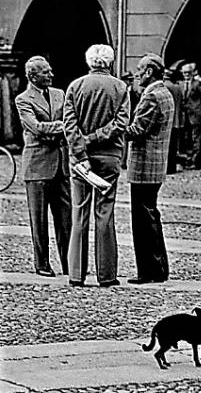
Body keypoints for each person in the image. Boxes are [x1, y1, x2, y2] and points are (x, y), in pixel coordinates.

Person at [63, 44, 130, 288]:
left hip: (80, 160)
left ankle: (76, 274)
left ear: (89, 62)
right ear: (110, 62)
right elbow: (121, 123)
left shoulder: (75, 86)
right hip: (109, 156)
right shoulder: (121, 87)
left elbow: (68, 126)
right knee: (105, 213)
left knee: (79, 212)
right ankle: (106, 274)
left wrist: (81, 148)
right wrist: (96, 137)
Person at [15, 56, 71, 277]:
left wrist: (55, 128)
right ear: (32, 76)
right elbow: (36, 128)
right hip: (37, 165)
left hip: (60, 164)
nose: (51, 75)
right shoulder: (23, 99)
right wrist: (61, 127)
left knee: (66, 219)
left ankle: (69, 263)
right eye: (46, 72)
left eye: (50, 71)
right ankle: (42, 263)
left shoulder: (60, 94)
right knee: (38, 219)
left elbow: (69, 120)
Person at [126, 53, 174, 284]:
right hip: (154, 165)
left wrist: (115, 130)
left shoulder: (152, 96)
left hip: (144, 165)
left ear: (148, 72)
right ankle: (159, 267)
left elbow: (137, 130)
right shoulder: (164, 93)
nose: (136, 73)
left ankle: (150, 270)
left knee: (143, 220)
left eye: (139, 69)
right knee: (151, 215)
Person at [180, 62, 201, 169]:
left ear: (192, 73)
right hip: (186, 117)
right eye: (184, 73)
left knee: (196, 139)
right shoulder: (181, 85)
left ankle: (195, 161)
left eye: (188, 73)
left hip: (197, 116)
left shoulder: (198, 84)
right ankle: (189, 159)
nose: (186, 75)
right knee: (187, 139)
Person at [163, 68, 183, 174]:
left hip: (168, 121)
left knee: (167, 147)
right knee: (173, 147)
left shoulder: (165, 87)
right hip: (177, 120)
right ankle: (172, 167)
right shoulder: (177, 87)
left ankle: (167, 168)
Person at [121, 71, 141, 169]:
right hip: (123, 118)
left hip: (130, 119)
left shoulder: (134, 93)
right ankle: (122, 161)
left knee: (125, 140)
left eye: (131, 80)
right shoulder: (121, 91)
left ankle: (124, 161)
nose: (130, 82)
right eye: (129, 80)